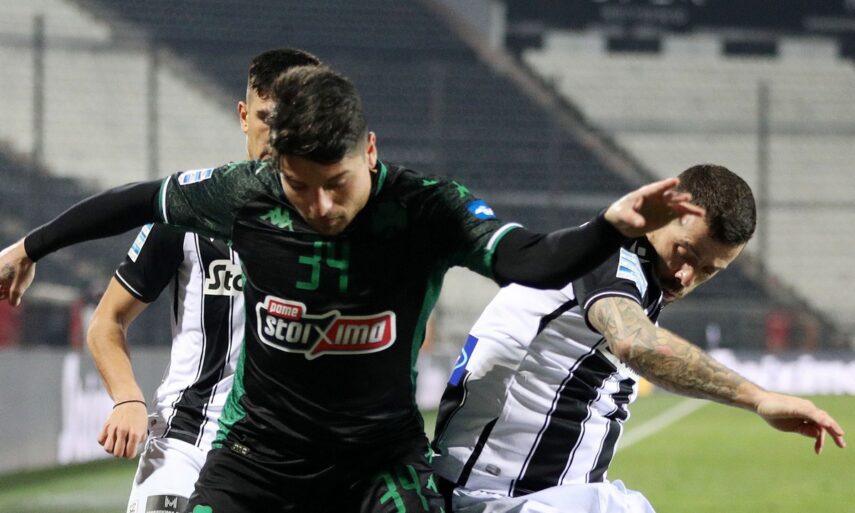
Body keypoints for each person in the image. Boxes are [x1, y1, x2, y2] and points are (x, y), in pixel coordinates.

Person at [0, 64, 703, 512]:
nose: (319, 206)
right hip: (257, 458)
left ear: (369, 150)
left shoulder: (425, 207)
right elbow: (135, 200)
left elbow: (531, 260)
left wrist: (609, 227)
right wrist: (31, 246)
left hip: (378, 463)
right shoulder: (244, 193)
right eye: (298, 186)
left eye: (336, 184)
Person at [431, 164, 846, 513]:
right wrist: (758, 398)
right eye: (684, 252)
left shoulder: (641, 271)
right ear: (666, 212)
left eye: (708, 270)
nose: (686, 277)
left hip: (555, 495)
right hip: (501, 497)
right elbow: (636, 343)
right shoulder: (609, 253)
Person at [86, 48, 321, 513]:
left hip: (289, 455)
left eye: (292, 120)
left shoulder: (341, 225)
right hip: (186, 443)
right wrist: (127, 398)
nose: (277, 136)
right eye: (265, 118)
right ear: (243, 116)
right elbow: (107, 322)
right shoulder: (188, 211)